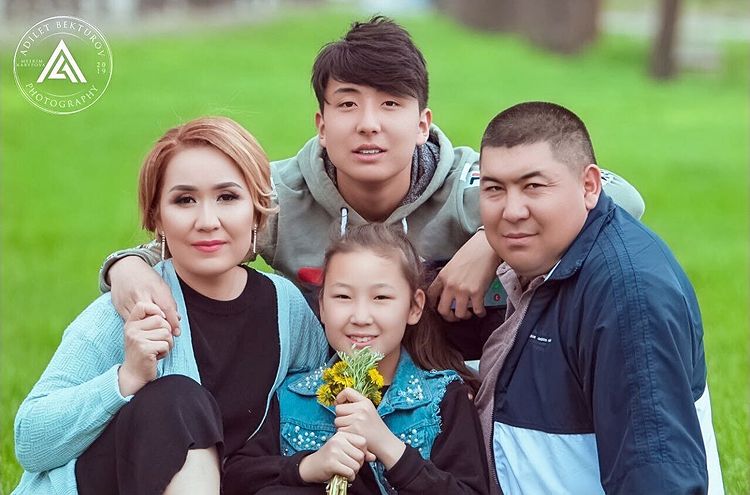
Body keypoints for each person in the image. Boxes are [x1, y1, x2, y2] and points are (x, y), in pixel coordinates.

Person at [98, 16, 645, 333]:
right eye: (347, 104)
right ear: (321, 124)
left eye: (390, 104)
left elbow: (622, 199)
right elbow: (184, 241)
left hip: (462, 385)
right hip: (321, 391)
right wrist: (125, 269)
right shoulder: (277, 195)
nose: (368, 125)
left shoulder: (475, 186)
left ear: (422, 123)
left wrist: (489, 241)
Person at [12, 117, 328, 495]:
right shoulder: (130, 306)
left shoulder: (286, 307)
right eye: (184, 200)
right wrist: (126, 378)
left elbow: (317, 407)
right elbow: (30, 440)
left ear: (258, 209)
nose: (207, 221)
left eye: (228, 197)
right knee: (176, 400)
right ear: (157, 218)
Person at [474, 101, 723, 494]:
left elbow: (659, 479)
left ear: (589, 186)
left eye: (533, 186)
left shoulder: (628, 297)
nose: (512, 210)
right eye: (494, 189)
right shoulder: (546, 262)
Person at [222, 224, 490, 494]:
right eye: (343, 296)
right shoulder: (293, 397)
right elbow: (235, 476)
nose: (361, 317)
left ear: (414, 306)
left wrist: (389, 447)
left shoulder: (443, 398)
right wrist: (307, 466)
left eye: (381, 297)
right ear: (322, 306)